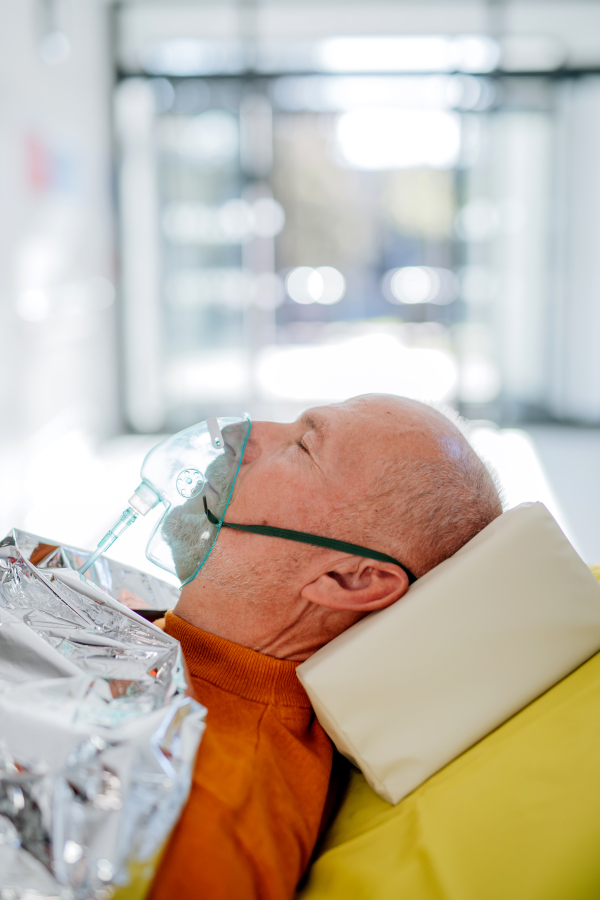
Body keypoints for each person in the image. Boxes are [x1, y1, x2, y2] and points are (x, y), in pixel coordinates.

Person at [148, 394, 502, 900]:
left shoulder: (207, 805)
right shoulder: (180, 652)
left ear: (350, 579)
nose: (234, 435)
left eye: (303, 446)